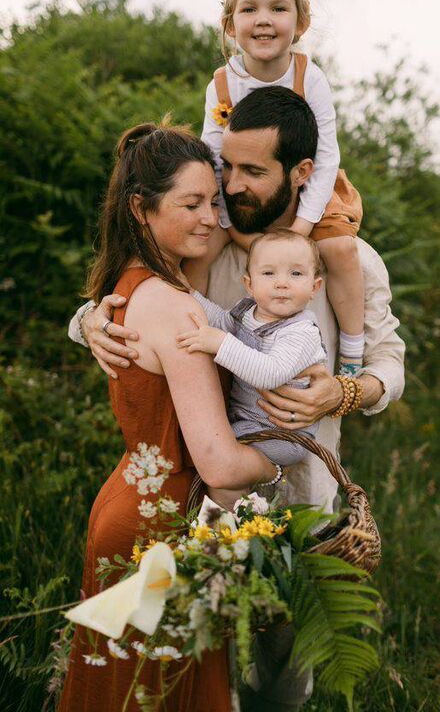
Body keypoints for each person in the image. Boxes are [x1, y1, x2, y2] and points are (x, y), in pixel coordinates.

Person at [71, 86, 405, 711]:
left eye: (253, 171)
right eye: (228, 168)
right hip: (210, 500)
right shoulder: (213, 252)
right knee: (192, 668)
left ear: (300, 173)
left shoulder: (350, 264)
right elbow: (149, 299)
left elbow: (390, 363)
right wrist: (87, 320)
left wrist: (344, 390)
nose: (233, 187)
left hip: (301, 496)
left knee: (280, 677)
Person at [59, 120, 280, 712]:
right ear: (141, 208)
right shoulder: (175, 306)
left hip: (127, 504)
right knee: (159, 693)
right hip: (161, 534)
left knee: (122, 691)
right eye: (191, 204)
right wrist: (277, 464)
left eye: (213, 201)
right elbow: (218, 463)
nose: (210, 217)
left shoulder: (126, 287)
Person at [183, 0, 366, 376]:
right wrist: (229, 225)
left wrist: (300, 229)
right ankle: (189, 333)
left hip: (311, 187)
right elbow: (214, 158)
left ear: (301, 23)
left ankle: (352, 354)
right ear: (230, 24)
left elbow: (326, 155)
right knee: (197, 249)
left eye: (278, 8)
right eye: (249, 9)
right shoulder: (222, 83)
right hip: (233, 190)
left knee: (339, 248)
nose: (263, 19)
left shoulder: (309, 76)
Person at [178, 229, 328, 507]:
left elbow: (270, 373)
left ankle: (225, 522)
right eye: (269, 273)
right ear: (249, 284)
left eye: (296, 274)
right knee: (219, 468)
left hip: (283, 434)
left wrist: (220, 344)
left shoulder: (301, 332)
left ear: (314, 286)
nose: (282, 283)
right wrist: (187, 294)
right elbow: (220, 321)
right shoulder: (247, 312)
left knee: (215, 452)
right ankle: (231, 522)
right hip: (248, 421)